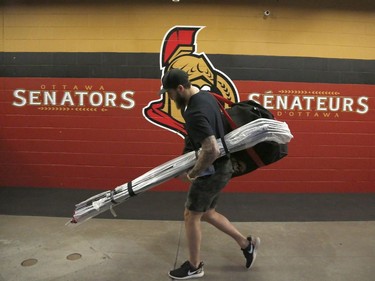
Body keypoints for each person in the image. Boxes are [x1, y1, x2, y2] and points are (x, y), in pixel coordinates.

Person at [160, 69, 260, 280]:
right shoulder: (206, 96)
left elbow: (211, 149)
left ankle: (194, 266)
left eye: (170, 93)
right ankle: (246, 244)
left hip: (212, 170)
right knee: (207, 212)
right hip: (224, 168)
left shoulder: (194, 111)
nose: (170, 98)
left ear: (180, 88)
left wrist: (193, 174)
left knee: (191, 215)